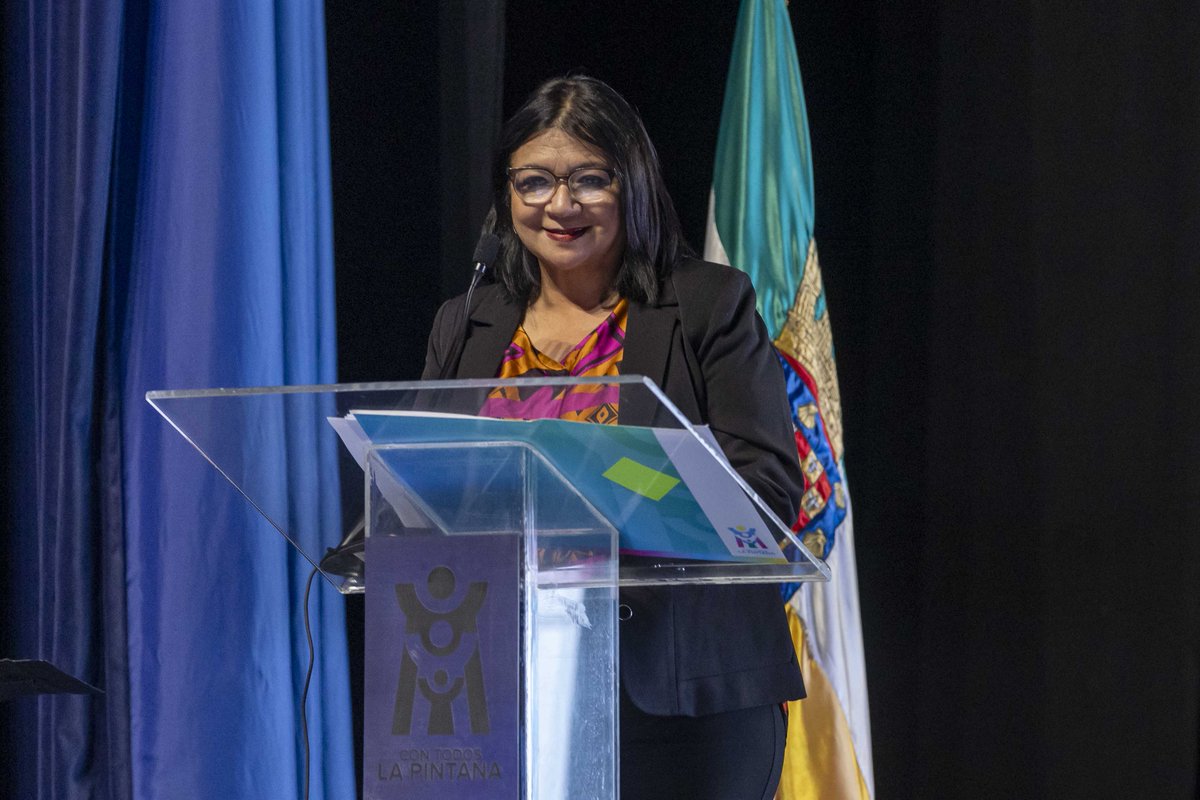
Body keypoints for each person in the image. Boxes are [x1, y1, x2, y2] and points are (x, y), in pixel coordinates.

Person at [423, 75, 805, 799]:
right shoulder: (466, 321)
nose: (558, 205)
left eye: (588, 180)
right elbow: (422, 487)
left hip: (679, 697)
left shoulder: (705, 306)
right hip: (498, 688)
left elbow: (769, 493)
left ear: (631, 185)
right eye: (532, 181)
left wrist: (624, 485)